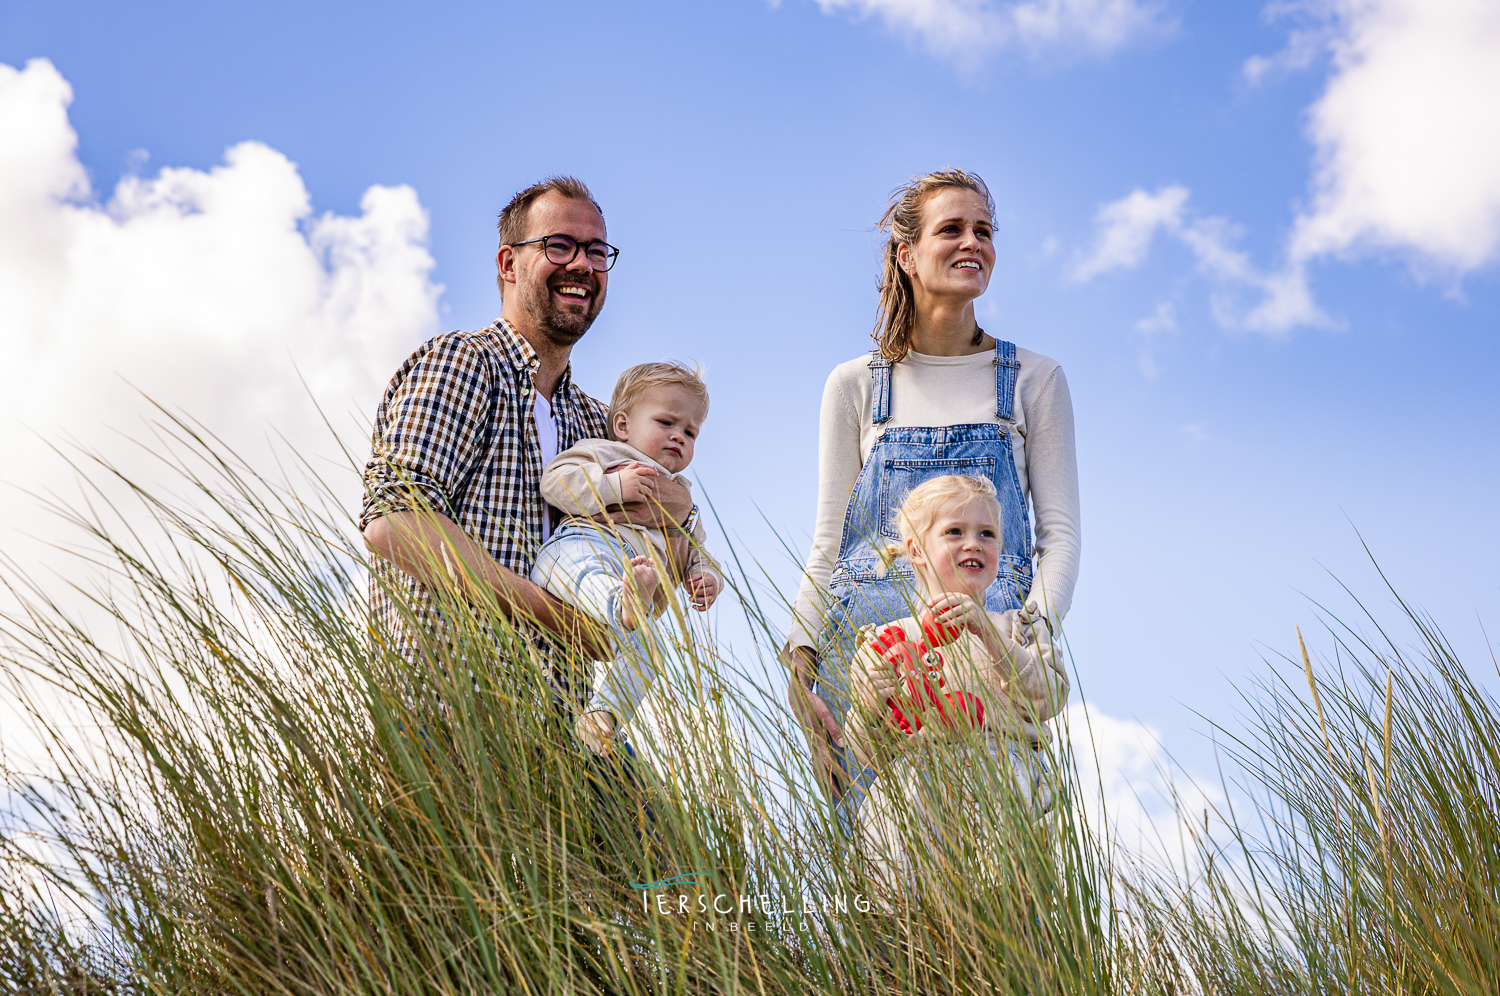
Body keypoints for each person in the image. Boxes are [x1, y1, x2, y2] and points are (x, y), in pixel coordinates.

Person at [785, 168, 1081, 833]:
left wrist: (1022, 638)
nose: (972, 242)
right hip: (872, 661)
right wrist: (800, 663)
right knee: (880, 872)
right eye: (952, 229)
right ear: (906, 254)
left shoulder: (1034, 379)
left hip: (991, 652)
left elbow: (1058, 537)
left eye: (984, 230)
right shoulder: (856, 385)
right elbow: (828, 542)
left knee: (1004, 874)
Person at [359, 174, 695, 728]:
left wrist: (678, 513)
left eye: (596, 251)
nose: (583, 265)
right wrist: (558, 619)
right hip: (448, 717)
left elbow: (647, 550)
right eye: (558, 245)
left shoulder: (593, 422)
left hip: (563, 734)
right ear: (508, 264)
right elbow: (395, 522)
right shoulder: (462, 365)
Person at [840, 475, 1067, 886]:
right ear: (916, 551)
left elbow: (1049, 696)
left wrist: (991, 636)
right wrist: (872, 702)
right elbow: (865, 751)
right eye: (954, 532)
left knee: (1002, 903)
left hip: (1006, 781)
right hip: (916, 787)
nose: (974, 544)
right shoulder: (886, 642)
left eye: (987, 534)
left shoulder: (1018, 627)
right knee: (904, 900)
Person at [531, 361, 723, 754]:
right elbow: (555, 481)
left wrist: (706, 576)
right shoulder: (607, 453)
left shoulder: (681, 495)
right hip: (580, 550)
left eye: (690, 432)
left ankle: (602, 718)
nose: (679, 437)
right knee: (603, 583)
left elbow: (697, 550)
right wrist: (613, 484)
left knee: (651, 646)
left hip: (628, 583)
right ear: (623, 426)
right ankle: (625, 601)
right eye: (666, 422)